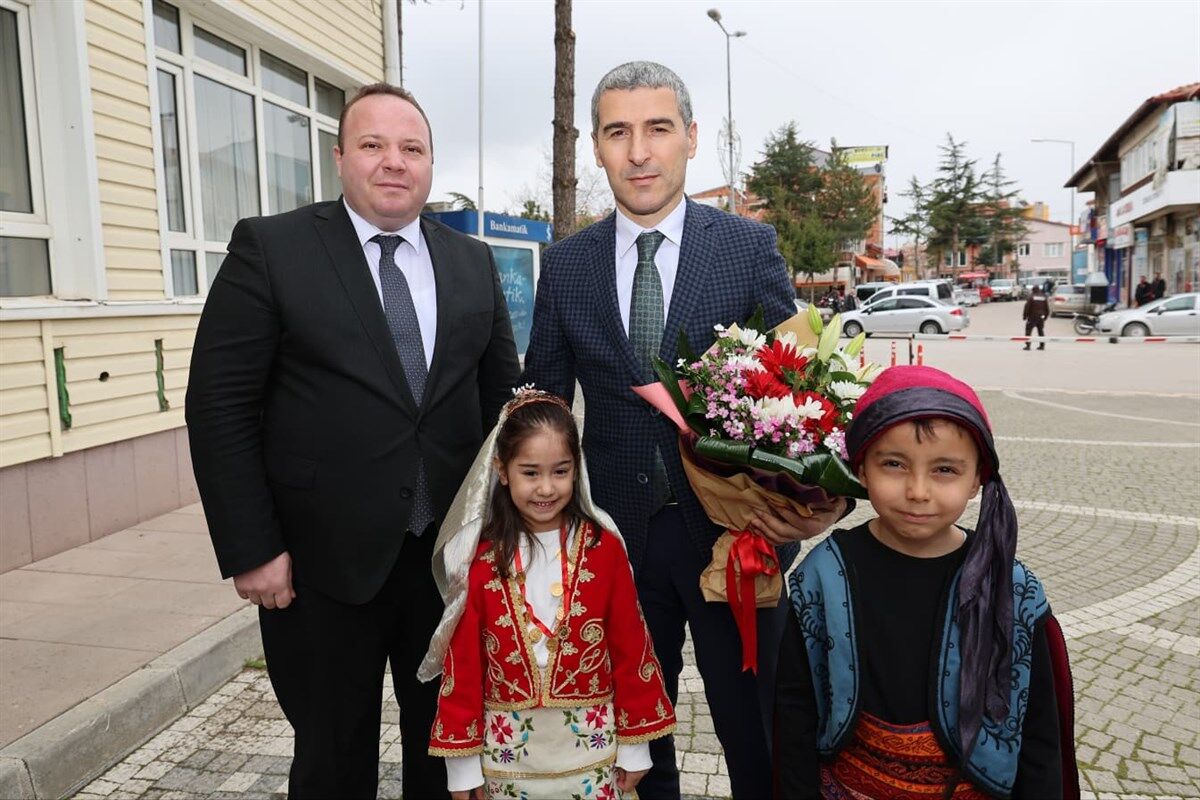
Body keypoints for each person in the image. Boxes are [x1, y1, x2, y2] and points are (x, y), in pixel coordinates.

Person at [185, 83, 521, 798]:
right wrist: (252, 548)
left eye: (412, 148)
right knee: (333, 764)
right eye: (373, 145)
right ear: (340, 158)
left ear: (430, 164)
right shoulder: (272, 249)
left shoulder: (471, 261)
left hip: (448, 567)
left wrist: (517, 532)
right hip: (318, 572)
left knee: (450, 756)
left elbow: (501, 407)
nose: (393, 162)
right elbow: (220, 406)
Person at [521, 61, 847, 799]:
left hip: (737, 546)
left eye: (657, 129)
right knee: (636, 735)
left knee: (756, 731)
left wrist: (798, 510)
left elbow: (806, 391)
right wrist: (535, 522)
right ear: (597, 147)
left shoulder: (745, 248)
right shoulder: (565, 266)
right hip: (616, 544)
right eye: (618, 132)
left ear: (691, 139)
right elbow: (543, 404)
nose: (639, 151)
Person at [775, 365, 1078, 799]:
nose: (917, 491)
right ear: (861, 468)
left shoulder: (1012, 588)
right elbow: (795, 711)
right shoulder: (822, 576)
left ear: (979, 479)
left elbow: (1039, 731)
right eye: (894, 464)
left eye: (945, 470)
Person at [420, 388, 675, 800]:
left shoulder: (604, 550)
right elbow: (463, 662)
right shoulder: (480, 561)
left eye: (560, 471)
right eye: (530, 472)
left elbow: (632, 647)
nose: (546, 488)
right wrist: (463, 770)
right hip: (505, 759)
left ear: (578, 469)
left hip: (594, 754)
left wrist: (636, 746)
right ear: (502, 471)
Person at [1022, 286, 1049, 351]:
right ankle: (1042, 346)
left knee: (1028, 331)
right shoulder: (1044, 296)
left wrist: (1025, 316)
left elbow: (1027, 307)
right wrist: (1045, 317)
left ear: (1033, 290)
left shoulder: (1031, 297)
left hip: (1032, 317)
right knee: (1040, 331)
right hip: (1041, 317)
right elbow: (1047, 308)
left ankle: (1028, 346)